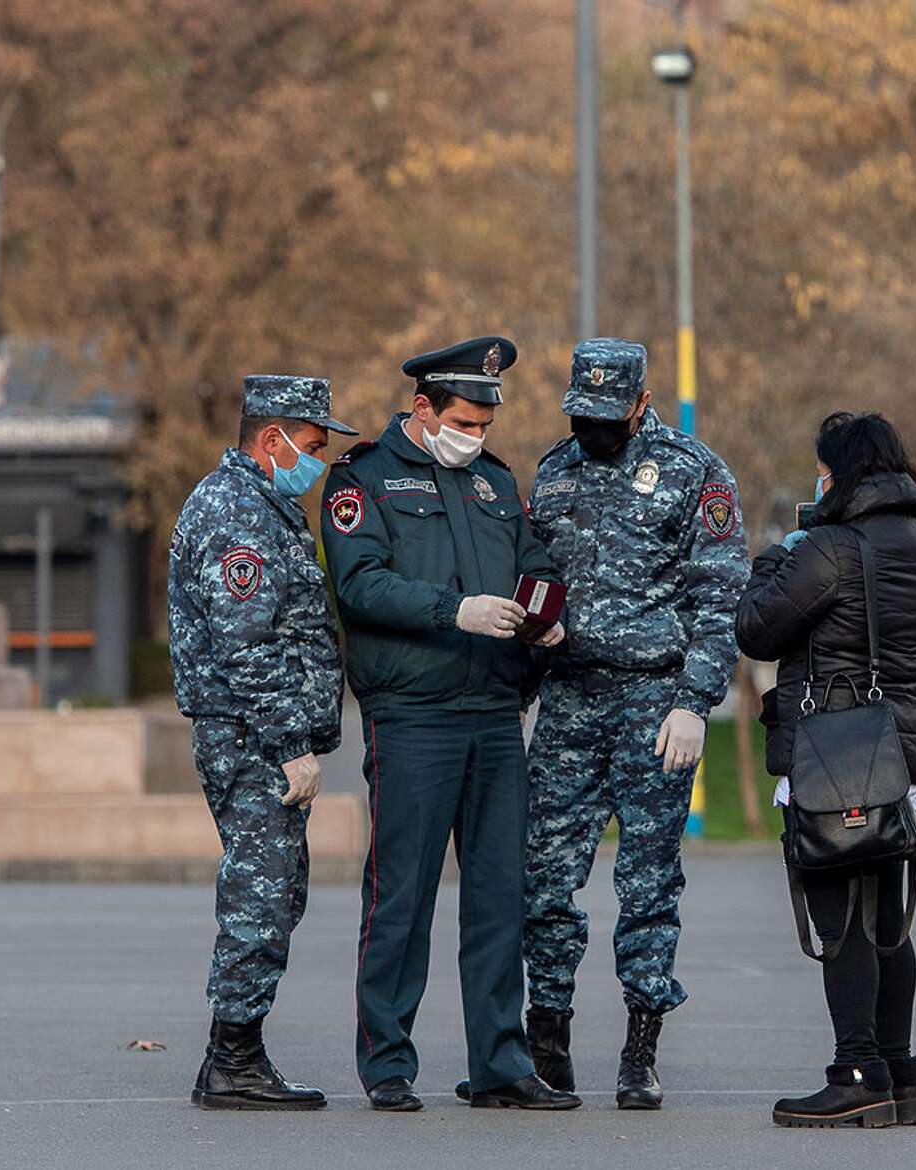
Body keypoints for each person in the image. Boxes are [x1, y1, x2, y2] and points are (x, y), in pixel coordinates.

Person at [321, 336, 580, 1113]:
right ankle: (388, 1063)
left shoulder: (497, 483)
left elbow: (537, 563)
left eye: (485, 425)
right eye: (464, 421)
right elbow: (361, 583)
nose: (476, 437)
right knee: (402, 895)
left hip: (495, 712)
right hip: (414, 715)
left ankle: (500, 1064)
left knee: (501, 897)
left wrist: (544, 616)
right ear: (422, 408)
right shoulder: (362, 480)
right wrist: (452, 610)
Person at [511, 338, 747, 1110]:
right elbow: (536, 577)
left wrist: (695, 701)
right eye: (582, 414)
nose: (594, 427)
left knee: (647, 884)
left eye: (609, 415)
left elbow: (721, 598)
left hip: (655, 703)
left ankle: (640, 1051)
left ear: (642, 404)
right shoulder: (555, 470)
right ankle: (548, 1043)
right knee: (545, 877)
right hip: (570, 699)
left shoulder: (695, 472)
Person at [734, 411, 916, 1129]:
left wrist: (776, 556)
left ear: (842, 472)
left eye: (822, 467)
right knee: (888, 915)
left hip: (834, 753)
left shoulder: (827, 547)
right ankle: (900, 1070)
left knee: (840, 919)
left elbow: (757, 628)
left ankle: (856, 1072)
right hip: (900, 747)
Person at [168, 375, 358, 1110]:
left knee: (275, 891)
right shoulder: (237, 511)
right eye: (311, 446)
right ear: (271, 439)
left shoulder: (262, 506)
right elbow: (246, 641)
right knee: (259, 895)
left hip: (258, 734)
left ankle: (237, 1051)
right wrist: (288, 742)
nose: (317, 462)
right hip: (251, 736)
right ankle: (232, 1060)